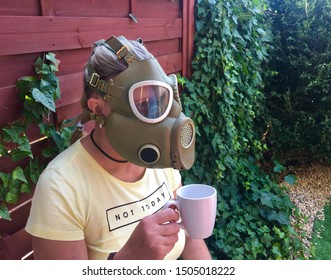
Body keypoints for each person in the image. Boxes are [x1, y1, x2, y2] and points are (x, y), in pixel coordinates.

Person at [25, 35, 212, 260]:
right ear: (99, 109)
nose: (163, 119)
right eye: (145, 105)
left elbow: (191, 239)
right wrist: (128, 260)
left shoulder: (161, 166)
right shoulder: (61, 186)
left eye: (162, 101)